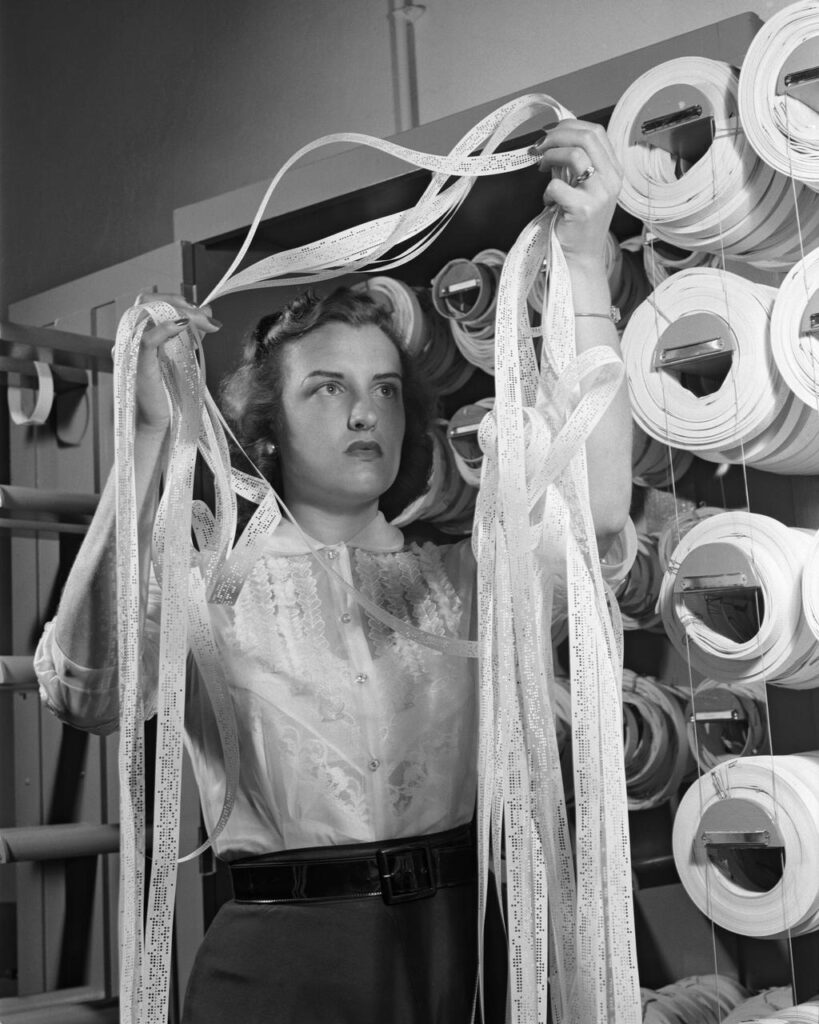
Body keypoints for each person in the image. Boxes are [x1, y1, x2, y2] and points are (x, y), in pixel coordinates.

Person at [34, 119, 632, 1023]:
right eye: (329, 387)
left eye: (386, 389)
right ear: (266, 426)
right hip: (283, 967)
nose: (365, 413)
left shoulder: (463, 580)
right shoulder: (214, 588)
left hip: (460, 955)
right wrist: (153, 432)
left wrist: (585, 264)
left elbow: (593, 518)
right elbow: (86, 692)